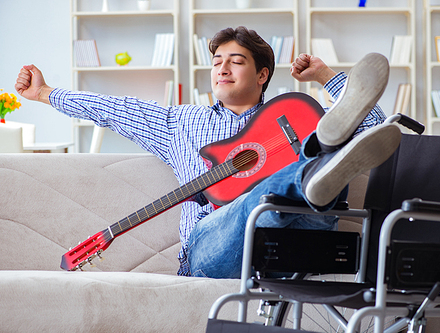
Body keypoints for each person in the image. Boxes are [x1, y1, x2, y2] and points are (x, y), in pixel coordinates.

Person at [15, 26, 400, 278]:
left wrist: (324, 77)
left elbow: (377, 131)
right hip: (215, 248)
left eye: (236, 61)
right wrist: (46, 94)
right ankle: (313, 174)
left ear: (262, 75)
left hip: (301, 239)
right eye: (216, 62)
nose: (222, 69)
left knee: (330, 149)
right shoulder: (181, 123)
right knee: (259, 199)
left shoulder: (291, 114)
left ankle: (320, 170)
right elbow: (112, 108)